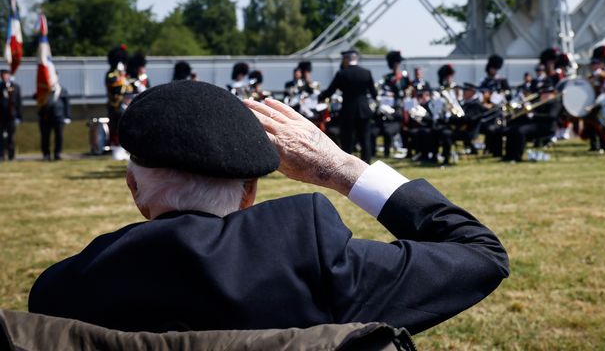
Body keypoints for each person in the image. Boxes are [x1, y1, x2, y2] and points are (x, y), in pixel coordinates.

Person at [28, 80, 508, 334]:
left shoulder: (58, 294)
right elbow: (481, 255)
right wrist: (340, 168)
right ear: (249, 192)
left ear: (134, 189)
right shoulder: (310, 261)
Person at [320, 50, 377, 163]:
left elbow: (330, 91)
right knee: (365, 138)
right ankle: (367, 162)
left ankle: (348, 164)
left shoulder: (342, 73)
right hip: (364, 110)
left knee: (347, 140)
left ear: (346, 59)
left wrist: (319, 97)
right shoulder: (366, 72)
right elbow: (374, 93)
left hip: (348, 110)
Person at [38, 83, 71, 161]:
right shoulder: (44, 90)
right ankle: (46, 154)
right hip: (46, 117)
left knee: (59, 136)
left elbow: (67, 104)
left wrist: (67, 116)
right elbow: (37, 97)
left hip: (59, 117)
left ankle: (57, 153)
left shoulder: (62, 90)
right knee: (45, 137)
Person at [0, 69, 22, 161]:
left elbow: (19, 102)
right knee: (0, 136)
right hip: (1, 116)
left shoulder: (15, 87)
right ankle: (1, 155)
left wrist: (19, 116)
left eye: (6, 75)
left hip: (11, 116)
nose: (4, 77)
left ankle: (11, 155)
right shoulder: (0, 87)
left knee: (11, 136)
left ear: (9, 76)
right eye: (2, 75)